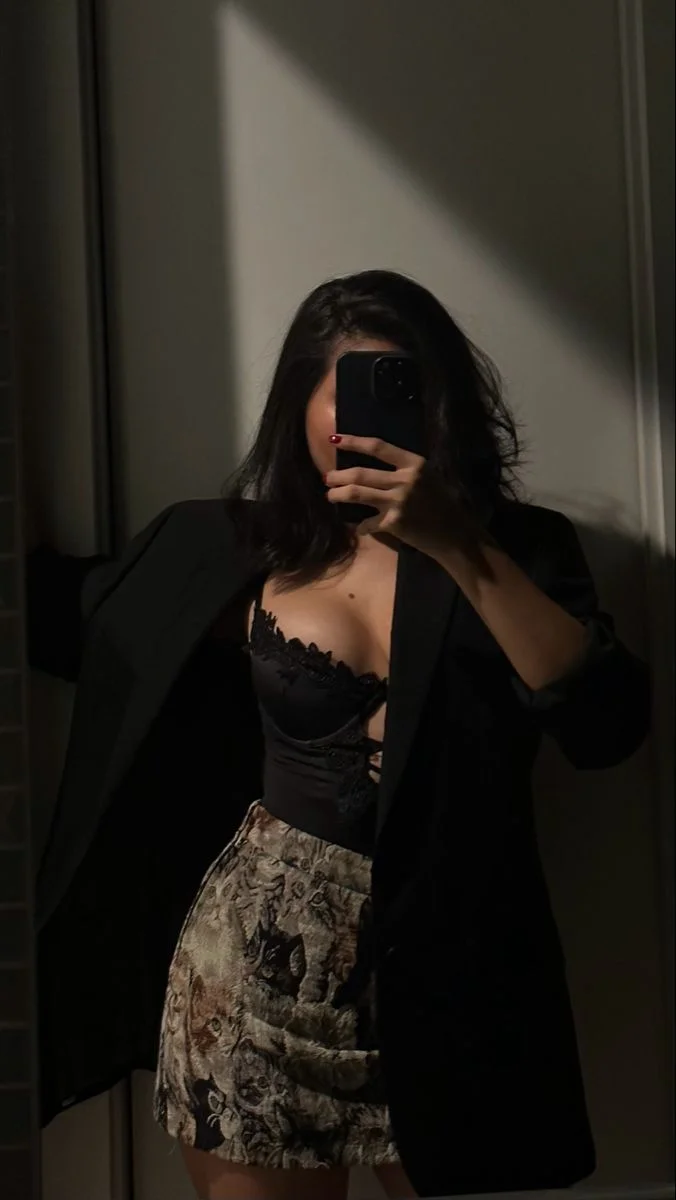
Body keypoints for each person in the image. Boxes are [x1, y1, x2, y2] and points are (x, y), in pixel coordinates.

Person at [28, 271, 651, 1200]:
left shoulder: (523, 547)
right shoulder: (237, 550)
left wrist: (458, 542)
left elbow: (605, 726)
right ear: (305, 409)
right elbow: (65, 616)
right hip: (255, 975)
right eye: (355, 392)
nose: (382, 419)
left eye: (410, 390)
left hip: (452, 981)